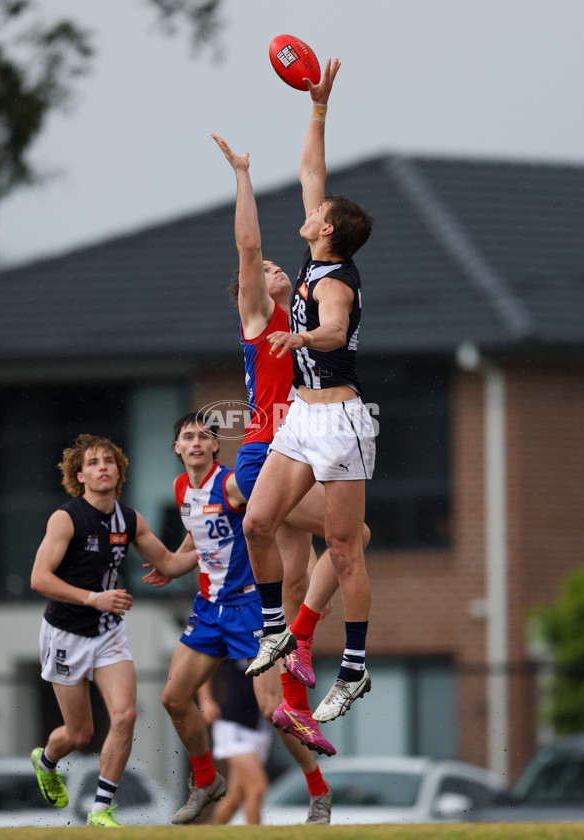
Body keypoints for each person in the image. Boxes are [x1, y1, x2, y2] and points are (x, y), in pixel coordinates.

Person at [242, 57, 376, 725]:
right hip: (300, 417)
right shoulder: (315, 253)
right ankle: (276, 628)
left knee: (346, 549)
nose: (311, 206)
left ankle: (353, 667)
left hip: (340, 422)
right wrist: (318, 107)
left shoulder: (336, 281)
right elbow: (309, 172)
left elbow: (334, 330)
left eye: (318, 212)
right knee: (257, 522)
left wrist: (301, 339)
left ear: (326, 229)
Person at [141, 412, 333, 825]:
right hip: (209, 609)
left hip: (250, 609)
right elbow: (198, 537)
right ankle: (206, 781)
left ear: (215, 446)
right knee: (173, 698)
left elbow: (282, 511)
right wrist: (171, 566)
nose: (195, 442)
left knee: (273, 709)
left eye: (203, 437)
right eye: (187, 437)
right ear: (176, 448)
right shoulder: (180, 489)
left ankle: (319, 789)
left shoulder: (232, 484)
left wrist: (311, 570)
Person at [29, 433, 194, 828]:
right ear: (80, 476)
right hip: (65, 634)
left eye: (109, 461)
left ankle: (100, 808)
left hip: (108, 635)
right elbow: (39, 578)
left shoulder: (129, 520)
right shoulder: (66, 518)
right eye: (93, 462)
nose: (102, 467)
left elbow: (171, 564)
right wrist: (93, 598)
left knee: (124, 714)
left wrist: (211, 538)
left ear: (119, 471)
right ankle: (46, 760)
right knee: (79, 734)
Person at [197, 659, 271, 825]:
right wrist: (205, 700)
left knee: (235, 797)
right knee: (258, 787)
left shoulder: (270, 645)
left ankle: (207, 833)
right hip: (233, 726)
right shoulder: (234, 644)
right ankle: (256, 836)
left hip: (260, 729)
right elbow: (204, 663)